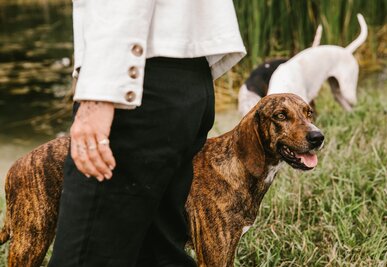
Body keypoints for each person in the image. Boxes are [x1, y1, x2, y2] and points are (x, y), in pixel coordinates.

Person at [49, 0, 246, 266]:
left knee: (83, 257)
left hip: (135, 84)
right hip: (185, 80)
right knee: (156, 254)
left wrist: (99, 95)